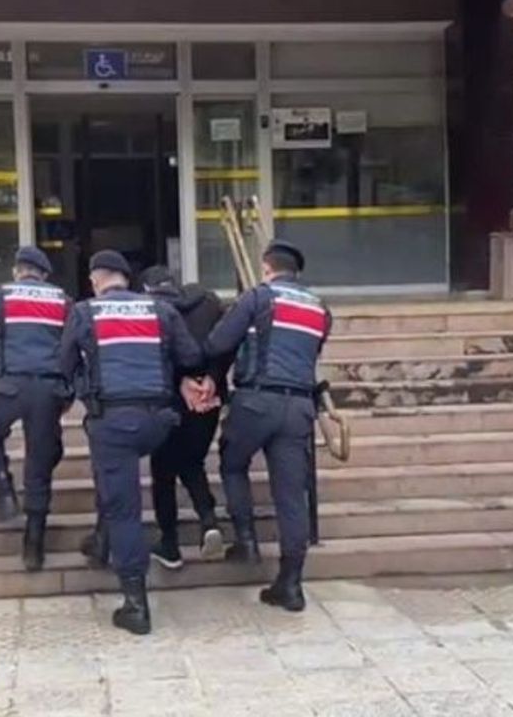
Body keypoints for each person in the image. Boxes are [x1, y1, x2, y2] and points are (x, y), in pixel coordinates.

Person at [59, 250, 204, 635]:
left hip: (113, 423)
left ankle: (135, 604)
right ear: (127, 279)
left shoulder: (84, 312)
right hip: (158, 421)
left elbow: (63, 366)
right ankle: (102, 540)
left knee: (124, 508)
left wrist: (80, 389)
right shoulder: (160, 309)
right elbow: (191, 355)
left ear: (95, 280)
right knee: (117, 480)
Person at [201, 240, 332, 612]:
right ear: (297, 272)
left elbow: (217, 343)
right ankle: (291, 583)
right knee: (291, 494)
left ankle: (245, 538)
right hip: (300, 407)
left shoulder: (258, 298)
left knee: (232, 462)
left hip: (256, 401)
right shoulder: (320, 308)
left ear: (266, 268)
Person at [0, 246, 71, 572]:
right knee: (40, 462)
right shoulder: (63, 301)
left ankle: (4, 492)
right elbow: (75, 349)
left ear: (16, 271)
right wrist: (68, 394)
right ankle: (33, 546)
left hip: (6, 387)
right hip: (47, 390)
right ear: (44, 275)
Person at [138, 265, 229, 569]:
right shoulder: (209, 303)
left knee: (163, 471)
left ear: (147, 289)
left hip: (169, 399)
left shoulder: (148, 309)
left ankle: (170, 544)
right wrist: (212, 378)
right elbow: (225, 343)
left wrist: (180, 381)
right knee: (191, 462)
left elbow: (153, 354)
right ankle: (209, 521)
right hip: (208, 399)